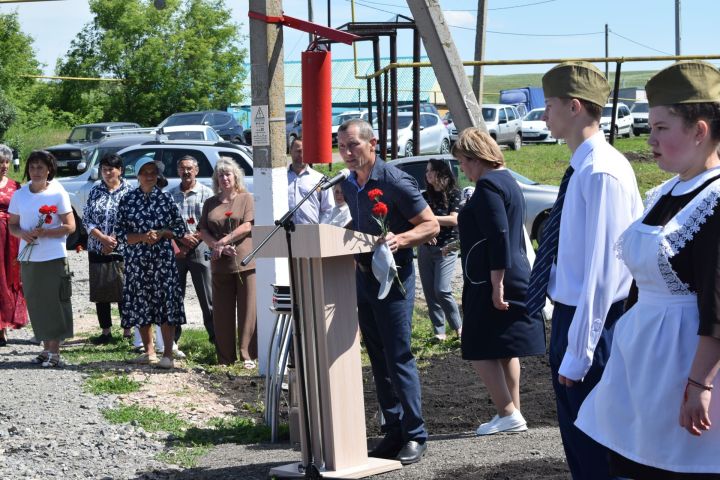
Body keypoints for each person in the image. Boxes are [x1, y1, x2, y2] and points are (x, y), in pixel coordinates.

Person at [576, 60, 720, 478]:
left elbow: (716, 302)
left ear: (699, 130)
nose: (650, 138)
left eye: (661, 128)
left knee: (678, 466)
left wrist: (699, 385)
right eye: (651, 127)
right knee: (634, 462)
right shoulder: (667, 191)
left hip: (684, 365)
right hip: (645, 365)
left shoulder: (715, 200)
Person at [524, 61, 643, 479]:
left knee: (599, 454)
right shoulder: (584, 167)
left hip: (594, 323)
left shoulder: (601, 171)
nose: (544, 115)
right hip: (577, 320)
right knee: (581, 448)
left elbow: (604, 271)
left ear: (574, 107)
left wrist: (579, 353)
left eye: (550, 105)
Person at [337, 118, 439, 465]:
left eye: (353, 145)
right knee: (378, 357)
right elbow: (361, 223)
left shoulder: (394, 180)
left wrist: (401, 238)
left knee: (398, 355)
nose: (347, 153)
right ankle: (393, 429)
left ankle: (415, 433)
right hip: (363, 277)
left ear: (372, 144)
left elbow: (430, 224)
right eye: (342, 146)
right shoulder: (350, 185)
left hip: (393, 278)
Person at [451, 129, 545, 435]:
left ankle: (507, 412)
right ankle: (512, 412)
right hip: (514, 270)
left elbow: (499, 233)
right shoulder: (508, 181)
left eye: (463, 162)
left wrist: (496, 282)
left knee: (477, 344)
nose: (462, 169)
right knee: (505, 346)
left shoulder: (489, 184)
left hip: (491, 278)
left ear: (475, 157)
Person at [115, 156, 187, 369]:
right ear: (137, 175)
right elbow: (120, 234)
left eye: (153, 172)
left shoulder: (166, 199)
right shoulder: (128, 200)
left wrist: (163, 232)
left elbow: (180, 230)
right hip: (138, 260)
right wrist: (141, 237)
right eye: (145, 172)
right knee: (141, 304)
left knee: (166, 305)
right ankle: (148, 352)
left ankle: (167, 354)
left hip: (162, 261)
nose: (149, 175)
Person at [8, 150, 75, 367]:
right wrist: (22, 234)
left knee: (53, 303)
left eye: (41, 167)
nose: (36, 171)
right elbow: (13, 225)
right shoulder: (20, 194)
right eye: (33, 167)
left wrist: (47, 232)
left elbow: (70, 226)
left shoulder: (57, 193)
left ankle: (55, 352)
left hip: (53, 256)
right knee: (36, 303)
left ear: (49, 170)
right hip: (29, 257)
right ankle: (45, 349)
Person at [199, 157, 257, 368]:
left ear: (236, 177)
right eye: (220, 175)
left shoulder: (246, 198)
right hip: (219, 263)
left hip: (245, 262)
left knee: (247, 309)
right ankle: (225, 357)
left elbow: (247, 226)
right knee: (222, 312)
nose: (224, 178)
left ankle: (248, 355)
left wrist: (223, 241)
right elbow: (203, 229)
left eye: (228, 174)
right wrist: (216, 246)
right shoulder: (210, 203)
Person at [82, 153, 132, 344]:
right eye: (104, 169)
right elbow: (87, 218)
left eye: (111, 169)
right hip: (97, 247)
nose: (107, 172)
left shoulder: (129, 191)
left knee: (124, 289)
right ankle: (105, 332)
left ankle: (127, 331)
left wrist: (114, 241)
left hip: (122, 248)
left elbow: (131, 220)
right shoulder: (95, 190)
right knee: (101, 290)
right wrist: (102, 238)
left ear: (120, 170)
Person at [169, 155, 215, 348]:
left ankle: (216, 340)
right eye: (182, 168)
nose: (186, 172)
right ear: (178, 171)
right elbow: (166, 223)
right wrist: (179, 242)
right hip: (177, 249)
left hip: (200, 246)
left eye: (190, 168)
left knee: (208, 297)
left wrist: (192, 240)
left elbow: (209, 222)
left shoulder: (206, 193)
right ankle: (172, 342)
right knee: (174, 296)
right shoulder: (169, 194)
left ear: (196, 170)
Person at [417, 158, 462, 341]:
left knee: (441, 289)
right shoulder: (424, 196)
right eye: (426, 171)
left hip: (447, 246)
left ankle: (459, 327)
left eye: (430, 171)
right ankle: (439, 331)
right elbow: (416, 218)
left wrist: (431, 221)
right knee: (429, 291)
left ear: (441, 173)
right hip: (426, 247)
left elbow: (454, 220)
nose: (426, 174)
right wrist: (427, 231)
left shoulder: (454, 193)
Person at [0, 144, 28, 346]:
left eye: (7, 161)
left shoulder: (15, 186)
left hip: (10, 238)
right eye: (0, 161)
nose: (4, 165)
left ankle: (4, 327)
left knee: (10, 280)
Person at [287, 138, 334, 224]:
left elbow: (328, 209)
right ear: (290, 152)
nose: (301, 155)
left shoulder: (319, 179)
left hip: (312, 232)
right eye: (298, 151)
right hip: (286, 233)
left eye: (305, 151)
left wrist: (320, 229)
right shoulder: (281, 179)